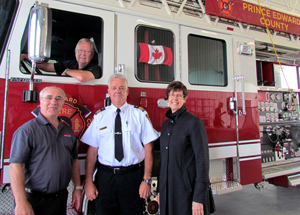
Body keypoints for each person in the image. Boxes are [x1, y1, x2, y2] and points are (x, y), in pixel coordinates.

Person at [81, 73, 159, 215]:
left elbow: (149, 148)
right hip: (105, 178)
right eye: (114, 88)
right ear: (108, 91)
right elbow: (92, 151)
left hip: (133, 177)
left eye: (122, 88)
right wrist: (89, 182)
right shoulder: (99, 116)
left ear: (127, 91)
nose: (118, 91)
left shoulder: (140, 114)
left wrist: (146, 180)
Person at [9, 86, 82, 215]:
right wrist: (21, 202)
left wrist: (77, 187)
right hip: (33, 199)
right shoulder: (27, 131)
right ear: (40, 102)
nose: (54, 102)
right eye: (49, 98)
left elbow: (74, 161)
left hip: (60, 198)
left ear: (62, 104)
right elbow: (15, 166)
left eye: (58, 99)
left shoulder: (68, 132)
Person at [158, 81, 210, 215]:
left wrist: (199, 197)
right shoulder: (165, 126)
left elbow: (202, 161)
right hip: (167, 191)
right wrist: (160, 191)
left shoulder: (194, 123)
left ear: (185, 99)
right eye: (172, 94)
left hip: (186, 192)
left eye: (179, 95)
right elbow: (163, 162)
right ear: (167, 97)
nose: (175, 98)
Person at [21, 38, 102, 82]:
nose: (83, 54)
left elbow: (82, 78)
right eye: (80, 50)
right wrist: (26, 57)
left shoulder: (96, 68)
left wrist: (67, 71)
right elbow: (46, 66)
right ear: (75, 52)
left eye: (87, 51)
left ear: (92, 54)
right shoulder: (70, 64)